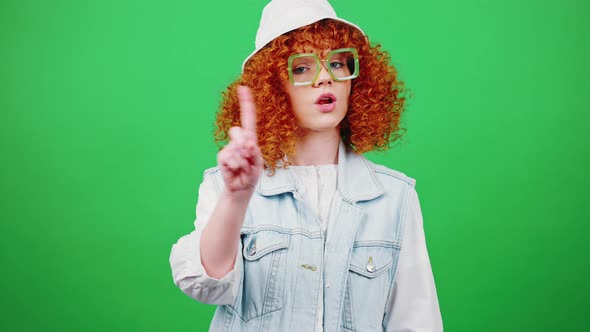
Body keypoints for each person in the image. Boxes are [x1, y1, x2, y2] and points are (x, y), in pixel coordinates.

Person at [169, 0, 443, 331]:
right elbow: (206, 284)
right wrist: (236, 199)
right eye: (301, 68)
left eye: (338, 64)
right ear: (273, 88)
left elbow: (416, 320)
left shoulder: (395, 197)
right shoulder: (224, 187)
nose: (324, 78)